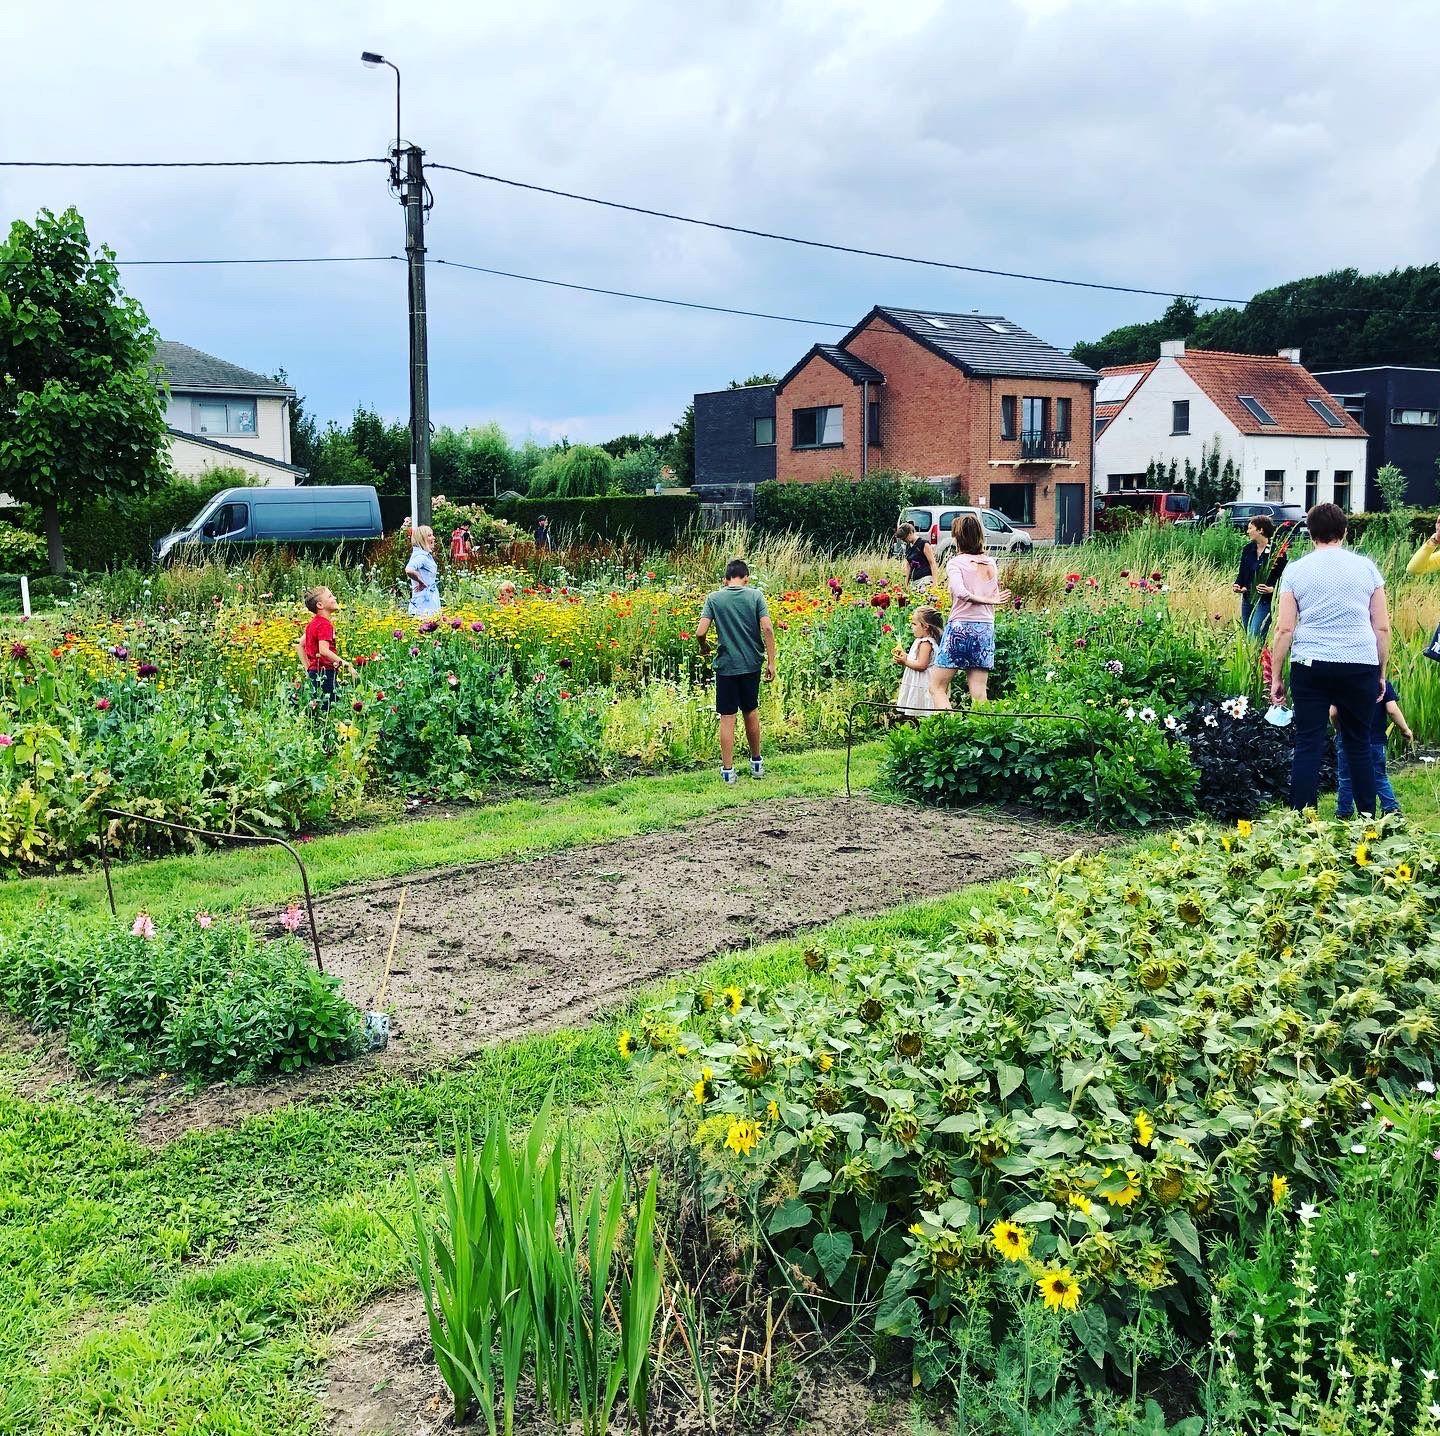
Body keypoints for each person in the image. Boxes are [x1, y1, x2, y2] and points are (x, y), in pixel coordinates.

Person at [1268, 502, 1391, 816]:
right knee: (1358, 742)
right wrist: (1380, 673)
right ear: (1344, 532)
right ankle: (1367, 819)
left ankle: (1301, 820)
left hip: (1311, 664)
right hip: (1359, 663)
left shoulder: (1296, 570)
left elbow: (1284, 629)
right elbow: (1381, 626)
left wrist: (1277, 676)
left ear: (1310, 533)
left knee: (1308, 742)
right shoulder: (1367, 569)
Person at [696, 558, 777, 784]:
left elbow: (700, 632)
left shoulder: (714, 598)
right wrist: (771, 662)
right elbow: (768, 628)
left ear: (725, 580)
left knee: (727, 717)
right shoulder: (755, 596)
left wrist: (705, 648)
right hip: (751, 664)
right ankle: (757, 763)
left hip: (727, 667)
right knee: (750, 711)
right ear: (746, 578)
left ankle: (728, 771)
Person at [929, 515, 1010, 710]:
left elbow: (961, 593)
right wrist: (992, 601)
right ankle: (983, 734)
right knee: (979, 691)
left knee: (937, 687)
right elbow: (992, 593)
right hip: (985, 628)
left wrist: (990, 600)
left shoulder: (956, 563)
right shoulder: (991, 563)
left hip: (960, 628)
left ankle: (950, 729)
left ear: (958, 538)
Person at [1330, 682, 1412, 819]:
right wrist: (1405, 729)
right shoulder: (1382, 685)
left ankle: (1343, 812)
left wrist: (1339, 729)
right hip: (1374, 740)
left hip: (1347, 738)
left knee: (1346, 777)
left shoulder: (1342, 682)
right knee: (1379, 776)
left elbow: (1333, 713)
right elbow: (1392, 709)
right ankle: (1391, 809)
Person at [297, 586, 353, 707]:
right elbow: (323, 650)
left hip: (315, 673)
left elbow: (300, 645)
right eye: (330, 596)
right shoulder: (325, 625)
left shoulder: (314, 623)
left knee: (317, 709)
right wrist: (346, 664)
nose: (334, 598)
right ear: (320, 605)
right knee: (331, 709)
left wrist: (308, 667)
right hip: (326, 674)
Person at [893, 604, 943, 715]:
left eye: (914, 624)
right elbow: (918, 659)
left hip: (922, 682)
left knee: (923, 709)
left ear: (925, 627)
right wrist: (906, 656)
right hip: (921, 680)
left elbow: (921, 665)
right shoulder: (922, 640)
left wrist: (905, 661)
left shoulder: (926, 643)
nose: (912, 627)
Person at [1242, 516, 1287, 638]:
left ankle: (1261, 656)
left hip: (1265, 600)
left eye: (1250, 528)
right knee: (1247, 634)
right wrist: (1239, 585)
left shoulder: (1277, 551)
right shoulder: (1247, 549)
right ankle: (1253, 657)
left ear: (1260, 530)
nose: (1247, 531)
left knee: (1255, 634)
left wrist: (1272, 589)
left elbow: (1283, 577)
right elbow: (1242, 574)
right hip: (1248, 599)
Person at [405, 524, 442, 618]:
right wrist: (420, 581)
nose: (433, 538)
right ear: (422, 539)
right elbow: (409, 569)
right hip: (424, 604)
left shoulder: (424, 555)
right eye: (429, 535)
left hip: (427, 600)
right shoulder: (421, 557)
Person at [897, 521, 939, 588]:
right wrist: (906, 584)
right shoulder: (908, 546)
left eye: (905, 538)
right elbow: (908, 565)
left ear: (910, 533)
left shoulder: (924, 544)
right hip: (914, 582)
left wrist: (935, 582)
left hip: (925, 580)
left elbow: (933, 563)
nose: (904, 540)